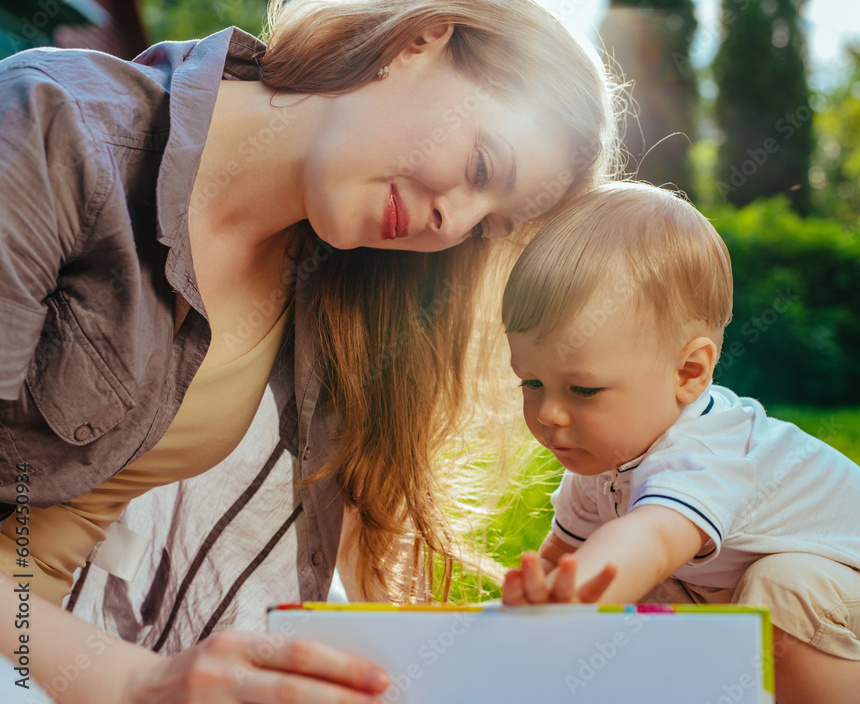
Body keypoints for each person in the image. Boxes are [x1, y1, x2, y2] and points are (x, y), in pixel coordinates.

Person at [0, 0, 619, 700]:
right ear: (419, 41)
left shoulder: (338, 297)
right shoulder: (53, 129)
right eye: (481, 163)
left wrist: (498, 645)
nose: (456, 221)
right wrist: (136, 684)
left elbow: (374, 600)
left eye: (487, 227)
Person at [499, 182, 860, 704]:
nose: (548, 413)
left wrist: (578, 599)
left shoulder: (707, 449)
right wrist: (531, 614)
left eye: (583, 389)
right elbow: (564, 558)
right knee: (646, 602)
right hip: (765, 613)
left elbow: (649, 541)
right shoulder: (598, 466)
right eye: (531, 382)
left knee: (782, 584)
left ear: (689, 372)